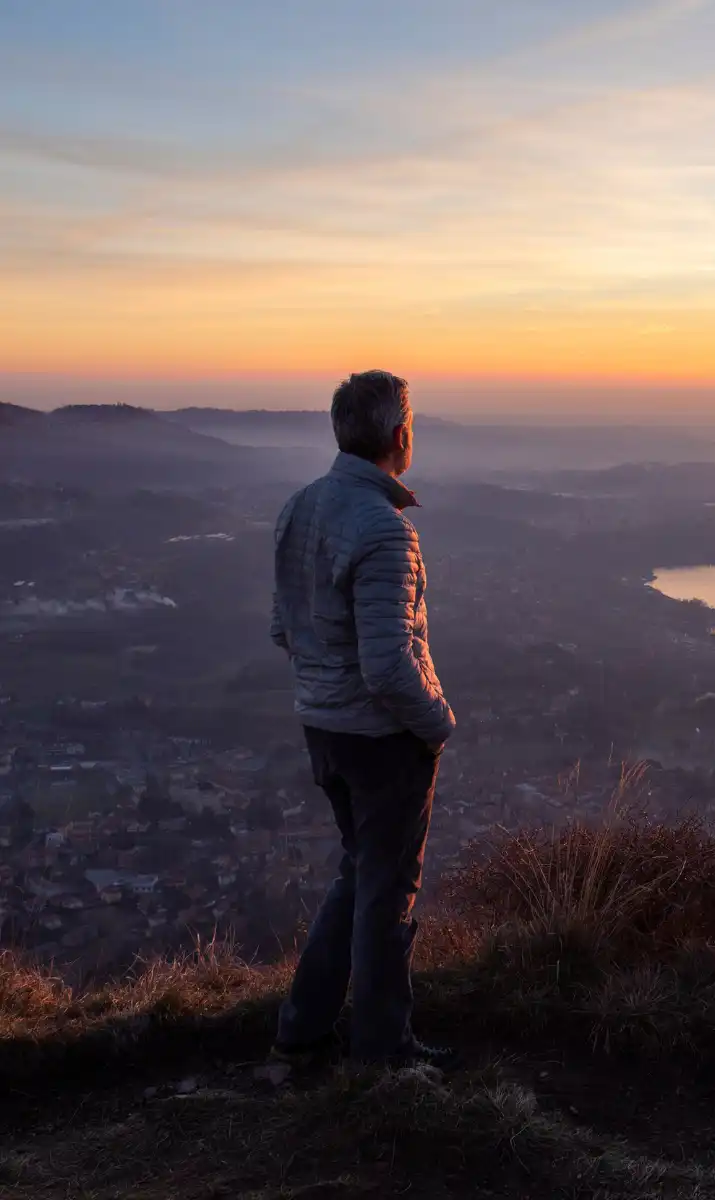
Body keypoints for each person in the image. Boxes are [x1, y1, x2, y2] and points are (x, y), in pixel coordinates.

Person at [268, 370, 456, 1067]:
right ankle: (385, 1051)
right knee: (386, 895)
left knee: (360, 875)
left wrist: (323, 688)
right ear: (400, 435)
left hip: (322, 727)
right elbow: (387, 666)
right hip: (382, 739)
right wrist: (437, 723)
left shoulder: (298, 509)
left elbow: (284, 627)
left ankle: (303, 1026)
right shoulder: (385, 532)